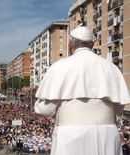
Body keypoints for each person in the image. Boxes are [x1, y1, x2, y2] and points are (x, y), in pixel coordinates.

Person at [34, 26, 130, 155]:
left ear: (70, 44)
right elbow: (118, 110)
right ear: (92, 44)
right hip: (107, 135)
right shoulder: (112, 68)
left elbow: (46, 110)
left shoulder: (60, 66)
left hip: (71, 136)